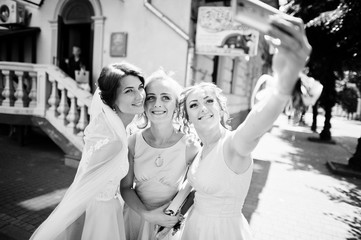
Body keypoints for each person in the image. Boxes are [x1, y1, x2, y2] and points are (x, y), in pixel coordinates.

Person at [177, 15, 311, 240]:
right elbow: (194, 188)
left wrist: (287, 77)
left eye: (209, 101)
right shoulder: (202, 149)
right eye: (194, 104)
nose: (203, 108)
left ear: (220, 108)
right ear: (188, 117)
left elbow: (257, 122)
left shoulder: (233, 145)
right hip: (193, 229)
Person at [30, 62, 146, 240]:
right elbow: (81, 197)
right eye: (129, 91)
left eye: (140, 87)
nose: (140, 96)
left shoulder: (115, 131)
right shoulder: (113, 143)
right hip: (100, 217)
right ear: (112, 99)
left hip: (109, 210)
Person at [120, 69, 199, 240]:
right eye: (151, 97)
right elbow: (125, 187)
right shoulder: (133, 142)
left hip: (167, 225)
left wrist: (176, 218)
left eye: (166, 97)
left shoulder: (190, 146)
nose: (157, 103)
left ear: (176, 105)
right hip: (135, 217)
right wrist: (146, 214)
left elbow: (195, 190)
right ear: (144, 104)